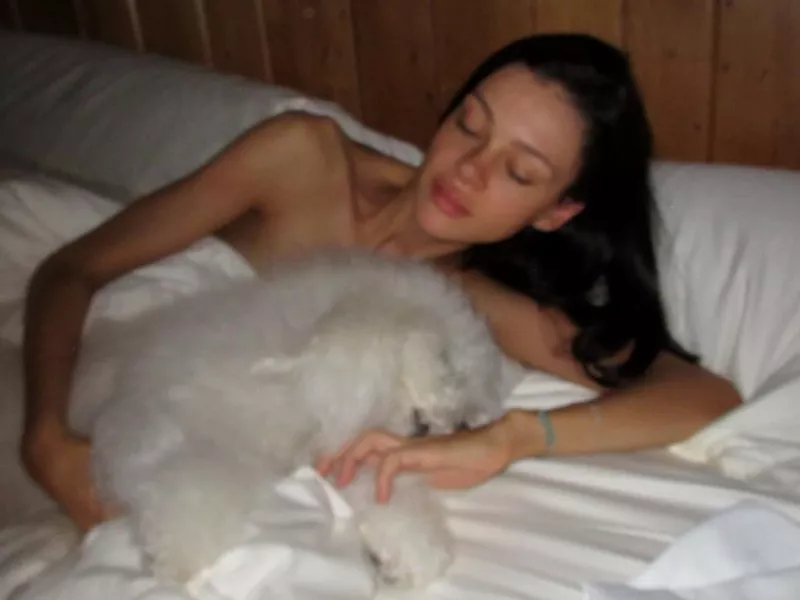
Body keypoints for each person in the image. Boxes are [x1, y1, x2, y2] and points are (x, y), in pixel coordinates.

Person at [20, 33, 741, 531]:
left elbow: (702, 395)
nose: (468, 169)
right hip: (50, 395)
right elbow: (72, 269)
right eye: (470, 126)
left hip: (165, 463)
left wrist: (516, 436)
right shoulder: (301, 158)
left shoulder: (473, 299)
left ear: (556, 212)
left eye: (519, 172)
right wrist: (46, 440)